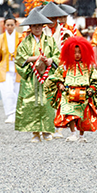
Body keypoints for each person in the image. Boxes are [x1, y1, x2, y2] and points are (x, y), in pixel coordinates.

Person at [45, 36, 97, 142]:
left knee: (83, 116)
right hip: (68, 93)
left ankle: (81, 135)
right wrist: (60, 84)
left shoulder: (88, 67)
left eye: (79, 52)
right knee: (70, 114)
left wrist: (92, 88)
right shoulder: (65, 66)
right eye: (74, 52)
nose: (77, 55)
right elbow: (57, 77)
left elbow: (96, 80)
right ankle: (73, 133)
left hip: (84, 93)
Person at [15, 9, 61, 142]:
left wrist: (50, 61)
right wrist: (35, 59)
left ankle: (47, 131)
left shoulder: (50, 41)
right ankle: (35, 132)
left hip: (47, 76)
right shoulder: (25, 42)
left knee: (47, 103)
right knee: (32, 103)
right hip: (31, 76)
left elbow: (57, 56)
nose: (37, 29)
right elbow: (19, 58)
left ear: (43, 26)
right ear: (30, 27)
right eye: (34, 26)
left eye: (39, 26)